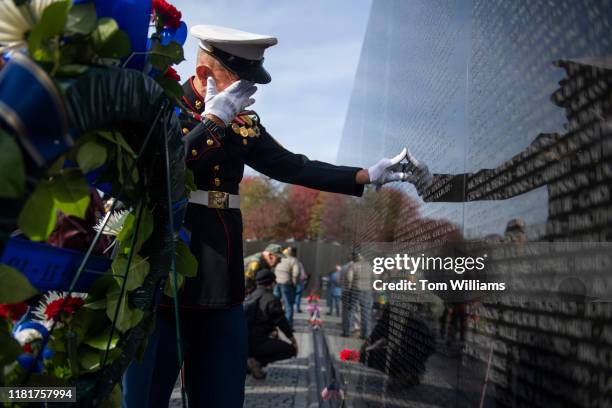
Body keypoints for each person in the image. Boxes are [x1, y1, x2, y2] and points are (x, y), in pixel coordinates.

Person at [123, 23, 415, 408]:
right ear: (205, 74)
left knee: (222, 395)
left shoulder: (243, 123)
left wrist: (366, 175)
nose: (250, 90)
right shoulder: (162, 104)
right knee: (144, 397)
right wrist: (210, 124)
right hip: (164, 279)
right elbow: (153, 170)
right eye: (241, 78)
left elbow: (293, 166)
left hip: (221, 281)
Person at [245, 269, 298, 380]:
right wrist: (293, 340)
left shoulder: (251, 296)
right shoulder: (271, 299)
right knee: (290, 350)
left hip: (244, 342)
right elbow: (281, 322)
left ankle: (251, 363)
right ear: (272, 283)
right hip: (258, 341)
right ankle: (257, 362)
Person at [341, 253, 374, 339]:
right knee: (365, 312)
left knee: (350, 311)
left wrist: (348, 289)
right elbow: (375, 278)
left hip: (355, 290)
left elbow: (349, 279)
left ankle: (347, 332)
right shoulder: (369, 266)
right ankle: (365, 334)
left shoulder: (353, 266)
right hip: (367, 290)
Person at [272, 245, 299, 325]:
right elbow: (296, 273)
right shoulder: (293, 260)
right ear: (294, 252)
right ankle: (287, 324)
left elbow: (274, 268)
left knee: (274, 303)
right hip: (286, 283)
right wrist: (294, 283)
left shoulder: (281, 258)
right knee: (288, 304)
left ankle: (273, 322)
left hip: (276, 282)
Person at [292, 247, 307, 313]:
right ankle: (297, 308)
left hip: (290, 281)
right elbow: (303, 274)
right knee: (298, 295)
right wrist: (304, 279)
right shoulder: (299, 263)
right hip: (298, 281)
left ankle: (289, 307)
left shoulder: (287, 262)